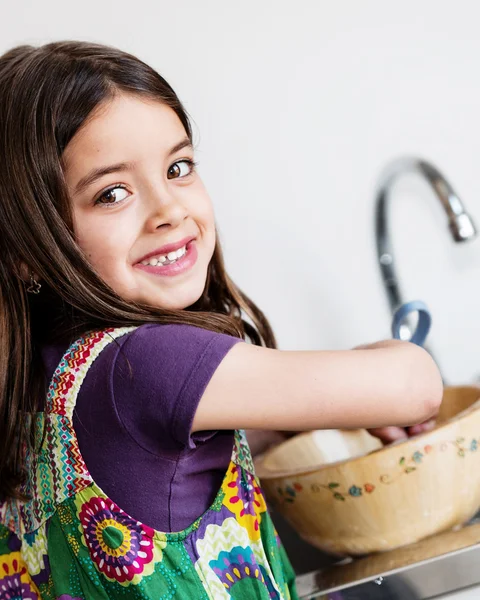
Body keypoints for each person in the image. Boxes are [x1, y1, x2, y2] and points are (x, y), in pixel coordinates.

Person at [0, 41, 442, 600]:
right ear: (24, 250)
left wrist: (283, 420)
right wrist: (376, 363)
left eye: (178, 167)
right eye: (112, 193)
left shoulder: (40, 378)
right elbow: (416, 387)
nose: (169, 211)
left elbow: (149, 464)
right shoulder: (145, 364)